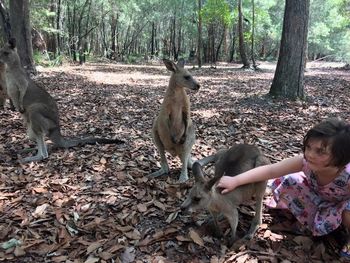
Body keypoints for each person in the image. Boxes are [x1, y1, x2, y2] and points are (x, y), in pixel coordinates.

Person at [217, 117, 350, 258]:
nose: (310, 154)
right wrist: (235, 180)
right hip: (318, 197)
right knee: (289, 181)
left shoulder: (347, 174)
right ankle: (312, 220)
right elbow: (271, 170)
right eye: (309, 147)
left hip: (342, 204)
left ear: (341, 157)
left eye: (320, 151)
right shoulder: (305, 162)